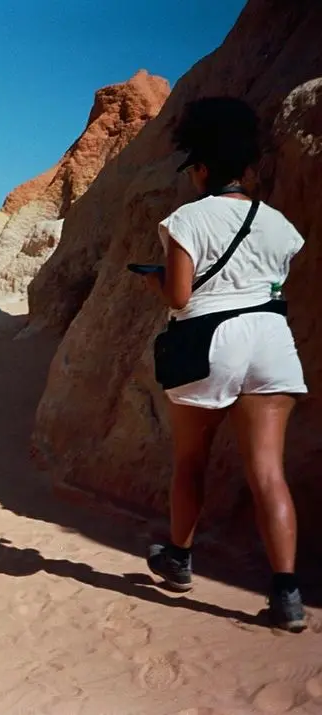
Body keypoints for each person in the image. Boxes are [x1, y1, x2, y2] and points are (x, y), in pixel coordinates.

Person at [142, 96, 307, 632]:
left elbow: (180, 297)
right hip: (272, 340)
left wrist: (152, 279)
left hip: (211, 341)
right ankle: (286, 594)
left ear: (205, 168)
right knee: (268, 471)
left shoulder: (188, 218)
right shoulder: (280, 224)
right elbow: (273, 283)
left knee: (191, 459)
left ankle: (179, 558)